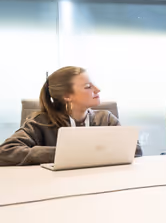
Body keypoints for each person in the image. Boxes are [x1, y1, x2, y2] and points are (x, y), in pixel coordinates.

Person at [0, 67, 142, 166]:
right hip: (53, 188)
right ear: (67, 96)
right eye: (88, 86)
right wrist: (66, 154)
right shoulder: (40, 122)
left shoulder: (106, 119)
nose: (97, 89)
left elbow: (135, 151)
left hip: (99, 184)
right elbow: (5, 152)